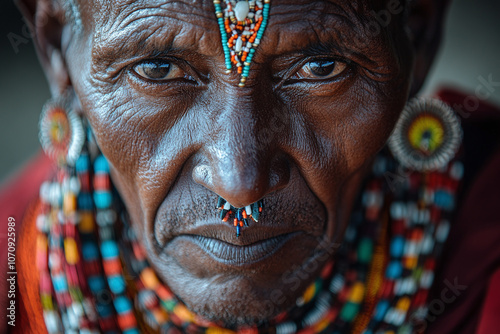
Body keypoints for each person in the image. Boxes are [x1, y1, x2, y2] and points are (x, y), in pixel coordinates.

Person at [1, 0, 499, 333]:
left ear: (415, 34)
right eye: (157, 69)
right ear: (55, 43)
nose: (239, 183)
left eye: (322, 67)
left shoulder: (485, 253)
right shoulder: (12, 279)